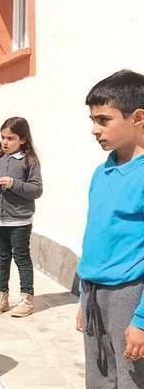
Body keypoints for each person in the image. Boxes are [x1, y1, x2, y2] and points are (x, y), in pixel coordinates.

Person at [77, 69, 144, 387]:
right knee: (100, 378)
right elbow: (94, 238)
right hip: (93, 295)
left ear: (137, 117)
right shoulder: (100, 174)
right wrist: (82, 297)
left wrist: (142, 319)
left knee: (132, 379)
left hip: (129, 297)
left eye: (103, 120)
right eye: (92, 120)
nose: (94, 129)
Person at [0, 117, 42, 317]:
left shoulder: (28, 161)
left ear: (22, 139)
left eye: (11, 138)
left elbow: (36, 190)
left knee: (21, 257)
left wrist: (14, 183)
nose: (5, 142)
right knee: (1, 258)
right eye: (3, 137)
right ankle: (2, 297)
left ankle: (27, 299)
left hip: (19, 220)